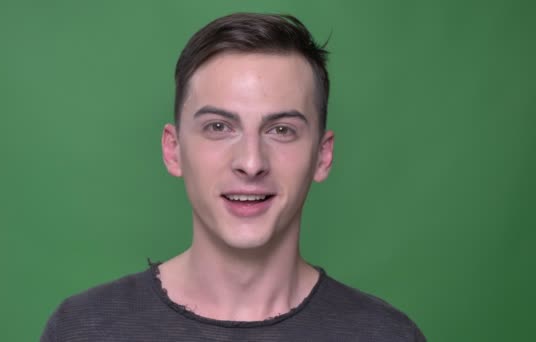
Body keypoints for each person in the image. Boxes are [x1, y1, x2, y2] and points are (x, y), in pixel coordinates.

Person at [40, 13, 426, 341]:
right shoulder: (84, 329)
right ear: (173, 150)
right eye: (219, 127)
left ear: (322, 156)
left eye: (281, 130)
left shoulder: (386, 335)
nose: (251, 162)